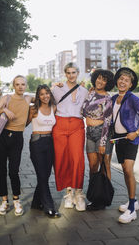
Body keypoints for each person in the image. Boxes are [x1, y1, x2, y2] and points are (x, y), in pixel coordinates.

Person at [0, 75, 34, 216]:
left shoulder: (28, 98)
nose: (20, 87)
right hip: (2, 136)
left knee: (13, 171)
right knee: (1, 170)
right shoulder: (6, 98)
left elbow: (46, 94)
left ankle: (16, 200)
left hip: (17, 138)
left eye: (23, 84)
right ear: (14, 85)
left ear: (26, 86)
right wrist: (3, 110)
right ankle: (4, 201)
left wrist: (57, 85)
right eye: (18, 84)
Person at [112, 67, 139, 223]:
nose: (122, 82)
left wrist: (137, 132)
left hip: (130, 139)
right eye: (121, 79)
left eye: (126, 80)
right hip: (118, 140)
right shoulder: (114, 98)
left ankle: (131, 210)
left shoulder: (133, 99)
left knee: (128, 170)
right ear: (117, 81)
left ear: (130, 85)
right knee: (124, 170)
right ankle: (133, 201)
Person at [52, 63, 88, 211]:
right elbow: (44, 99)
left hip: (77, 125)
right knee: (62, 159)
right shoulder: (57, 89)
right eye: (68, 73)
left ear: (78, 73)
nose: (71, 75)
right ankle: (68, 193)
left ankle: (78, 193)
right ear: (65, 74)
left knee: (77, 159)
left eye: (74, 72)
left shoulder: (85, 91)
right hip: (59, 125)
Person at [82, 69, 114, 210]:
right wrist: (89, 94)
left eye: (104, 80)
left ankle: (103, 198)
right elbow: (82, 111)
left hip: (102, 134)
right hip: (89, 133)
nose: (100, 81)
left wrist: (102, 142)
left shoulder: (107, 99)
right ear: (95, 78)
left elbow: (107, 122)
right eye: (99, 78)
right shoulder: (90, 94)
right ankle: (94, 196)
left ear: (107, 83)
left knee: (104, 166)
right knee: (93, 166)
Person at [28, 84, 61, 218]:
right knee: (42, 176)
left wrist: (54, 86)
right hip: (36, 142)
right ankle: (49, 207)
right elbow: (22, 124)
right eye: (41, 94)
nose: (45, 96)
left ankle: (36, 203)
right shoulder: (33, 109)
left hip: (50, 142)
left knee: (45, 175)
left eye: (47, 93)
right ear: (38, 96)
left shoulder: (54, 108)